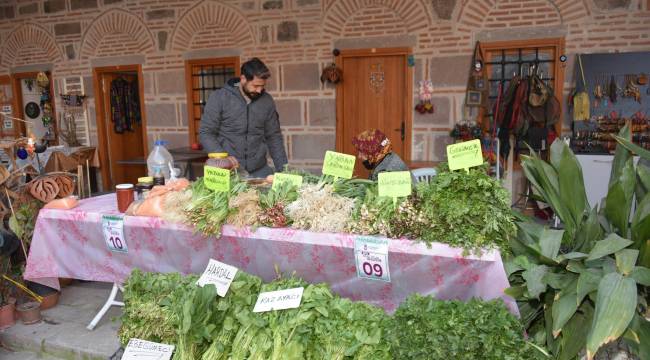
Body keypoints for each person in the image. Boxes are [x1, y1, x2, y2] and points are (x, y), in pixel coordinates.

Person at [199, 58, 287, 178]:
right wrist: (222, 157)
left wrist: (284, 170)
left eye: (262, 86)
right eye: (256, 86)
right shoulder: (219, 98)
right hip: (228, 172)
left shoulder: (267, 101)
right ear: (243, 79)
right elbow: (206, 132)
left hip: (260, 171)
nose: (260, 90)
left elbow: (274, 136)